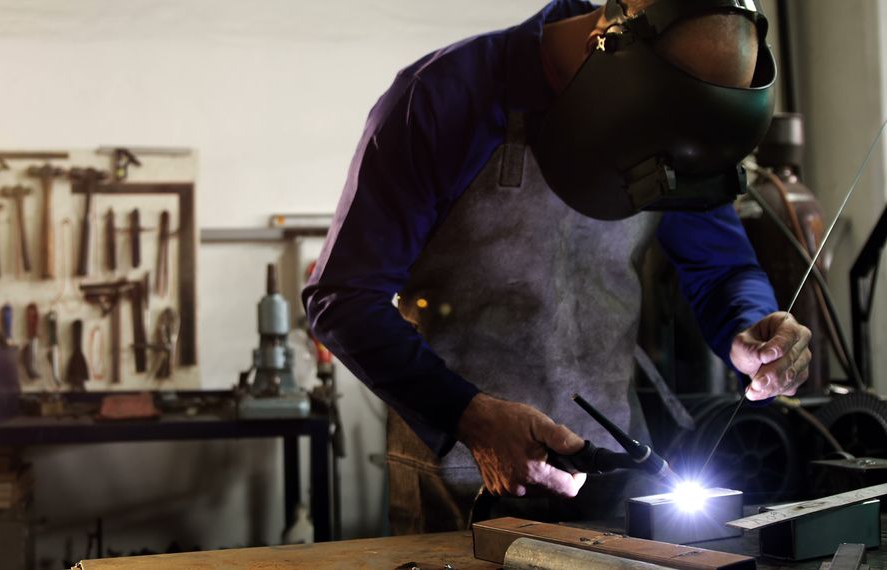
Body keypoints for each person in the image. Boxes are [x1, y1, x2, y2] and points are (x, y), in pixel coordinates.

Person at [303, 0, 812, 534]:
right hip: (461, 477)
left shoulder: (675, 115)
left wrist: (750, 329)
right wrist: (469, 416)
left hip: (617, 468)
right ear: (608, 39)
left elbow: (723, 269)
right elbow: (343, 299)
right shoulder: (442, 97)